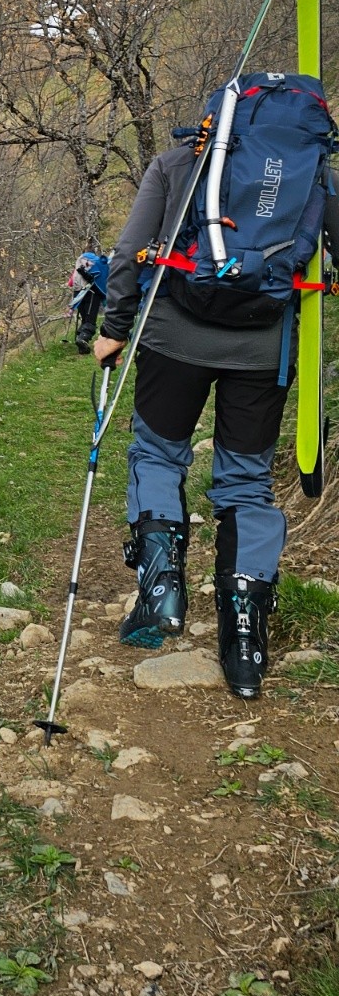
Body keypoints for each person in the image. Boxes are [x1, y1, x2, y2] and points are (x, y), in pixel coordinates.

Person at [94, 135, 339, 700]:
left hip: (172, 334)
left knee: (157, 454)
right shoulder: (313, 170)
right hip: (264, 347)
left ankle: (162, 595)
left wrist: (114, 328)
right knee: (248, 485)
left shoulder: (180, 160)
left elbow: (131, 249)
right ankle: (246, 648)